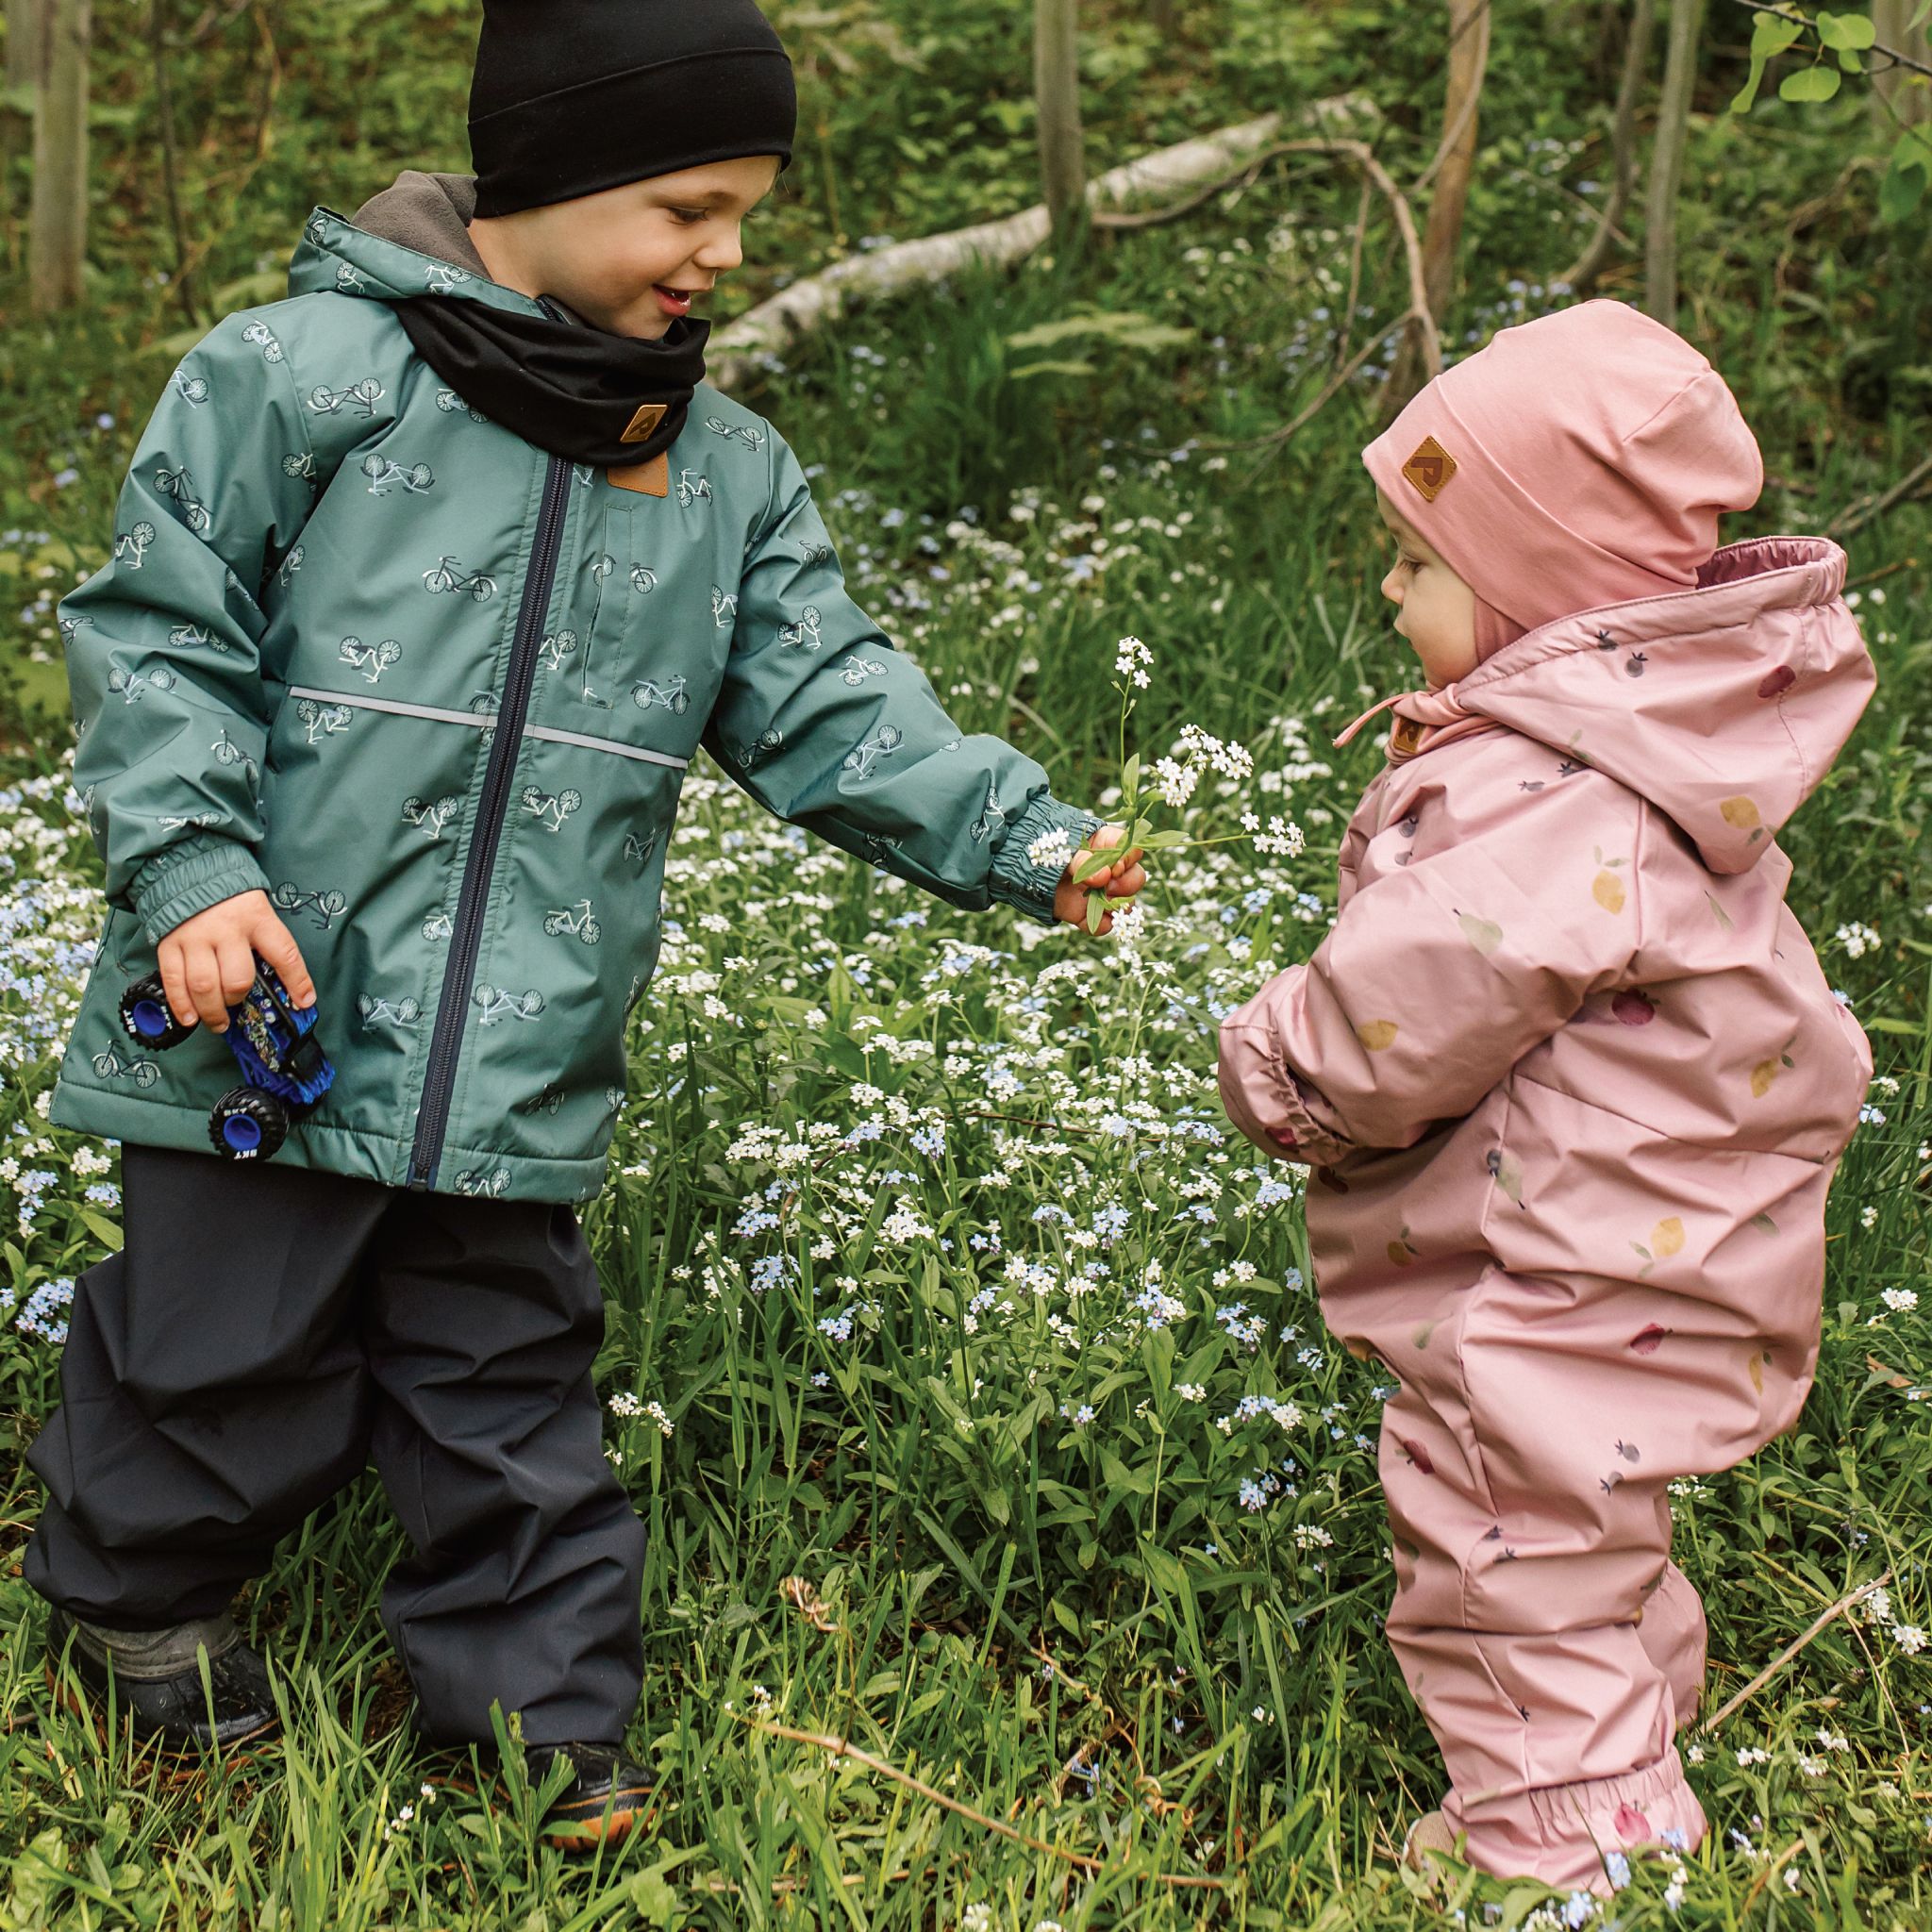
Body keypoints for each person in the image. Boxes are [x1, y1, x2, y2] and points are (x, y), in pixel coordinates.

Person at [29, 0, 1143, 1851]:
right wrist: (194, 874)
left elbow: (835, 707)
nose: (723, 254)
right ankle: (140, 1597)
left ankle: (536, 1716)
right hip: (267, 1002)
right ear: (546, 178)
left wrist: (1024, 837)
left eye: (744, 216)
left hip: (518, 1047)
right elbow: (159, 629)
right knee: (217, 1352)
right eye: (687, 206)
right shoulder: (301, 374)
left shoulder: (719, 471)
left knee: (509, 1395)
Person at [1218, 300, 1873, 1890]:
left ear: (1540, 597)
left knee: (1501, 1549)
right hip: (1647, 1244)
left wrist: (1279, 1063)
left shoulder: (1550, 796)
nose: (1388, 591)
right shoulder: (1652, 754)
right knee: (1582, 1527)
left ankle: (1565, 1855)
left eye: (1421, 562)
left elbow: (1410, 1003)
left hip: (1548, 1264)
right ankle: (1629, 1765)